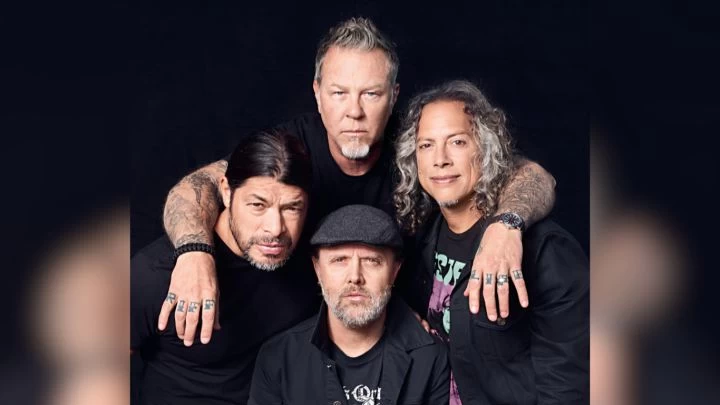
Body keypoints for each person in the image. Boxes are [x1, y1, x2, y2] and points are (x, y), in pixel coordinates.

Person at [159, 17, 558, 346]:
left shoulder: (418, 144)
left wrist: (506, 227)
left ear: (394, 96)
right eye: (339, 93)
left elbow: (534, 176)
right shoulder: (290, 151)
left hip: (411, 336)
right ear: (317, 94)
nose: (354, 111)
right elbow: (197, 186)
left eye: (371, 94)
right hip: (305, 338)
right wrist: (194, 252)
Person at [394, 80, 589, 404]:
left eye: (457, 142)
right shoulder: (421, 236)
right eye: (426, 145)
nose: (440, 159)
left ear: (486, 149)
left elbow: (566, 387)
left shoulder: (545, 250)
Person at [131, 130, 320, 404]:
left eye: (292, 208)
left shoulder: (312, 259)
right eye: (258, 205)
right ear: (226, 192)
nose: (275, 228)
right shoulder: (156, 275)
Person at [249, 204, 450, 405]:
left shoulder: (430, 357)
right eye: (339, 260)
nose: (355, 277)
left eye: (372, 261)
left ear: (395, 270)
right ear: (317, 269)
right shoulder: (278, 358)